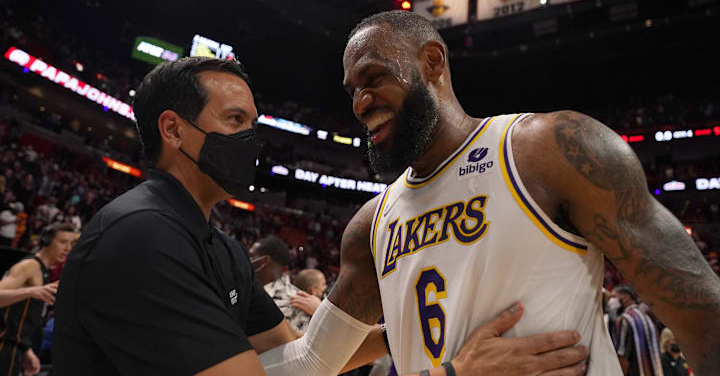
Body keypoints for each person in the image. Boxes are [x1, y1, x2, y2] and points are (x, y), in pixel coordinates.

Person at [53, 57, 590, 376]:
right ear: (172, 130)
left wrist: (422, 328)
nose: (250, 139)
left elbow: (306, 361)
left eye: (253, 123)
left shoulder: (219, 248)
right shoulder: (141, 236)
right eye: (235, 119)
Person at [335, 10, 720, 375]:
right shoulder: (370, 223)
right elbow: (304, 364)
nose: (360, 103)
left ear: (433, 61)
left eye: (373, 78)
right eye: (352, 90)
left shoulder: (547, 150)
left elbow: (705, 320)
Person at [0, 223, 74, 376]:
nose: (68, 248)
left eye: (70, 243)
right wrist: (31, 290)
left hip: (14, 347)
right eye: (62, 242)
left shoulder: (44, 270)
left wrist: (26, 349)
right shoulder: (29, 266)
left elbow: (18, 317)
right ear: (46, 241)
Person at [249, 235, 311, 332]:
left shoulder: (295, 300)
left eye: (251, 256)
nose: (247, 260)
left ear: (264, 261)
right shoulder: (252, 290)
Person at [611, 285, 663, 376]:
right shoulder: (647, 314)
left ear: (626, 297)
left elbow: (622, 358)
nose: (611, 301)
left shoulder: (624, 320)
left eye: (614, 297)